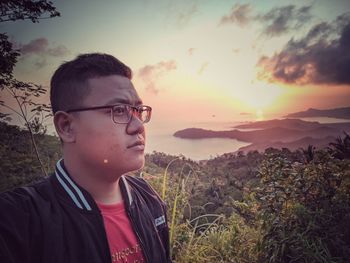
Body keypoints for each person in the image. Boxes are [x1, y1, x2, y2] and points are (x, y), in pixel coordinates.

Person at [0, 53, 171, 263]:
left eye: (137, 111)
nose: (138, 126)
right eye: (118, 110)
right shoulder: (18, 221)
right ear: (66, 126)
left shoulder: (148, 198)